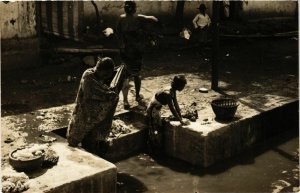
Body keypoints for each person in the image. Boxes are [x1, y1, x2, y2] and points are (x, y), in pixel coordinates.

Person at [67, 57, 120, 154]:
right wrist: (110, 95)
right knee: (75, 138)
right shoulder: (89, 77)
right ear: (101, 70)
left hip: (90, 115)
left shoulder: (95, 76)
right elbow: (91, 94)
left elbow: (101, 89)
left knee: (90, 140)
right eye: (106, 74)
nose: (106, 77)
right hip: (84, 111)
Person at [116, 1, 158, 109]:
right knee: (136, 74)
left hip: (125, 51)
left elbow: (118, 34)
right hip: (136, 51)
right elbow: (154, 19)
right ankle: (137, 96)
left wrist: (122, 45)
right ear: (134, 9)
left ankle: (125, 101)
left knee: (125, 76)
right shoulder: (138, 17)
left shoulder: (121, 18)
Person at [146, 75, 189, 155]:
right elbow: (172, 109)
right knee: (153, 130)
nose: (183, 88)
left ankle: (156, 149)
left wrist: (181, 117)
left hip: (157, 109)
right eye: (183, 86)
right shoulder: (168, 93)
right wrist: (180, 120)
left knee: (158, 127)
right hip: (152, 110)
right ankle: (151, 151)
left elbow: (176, 105)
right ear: (178, 86)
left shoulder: (173, 91)